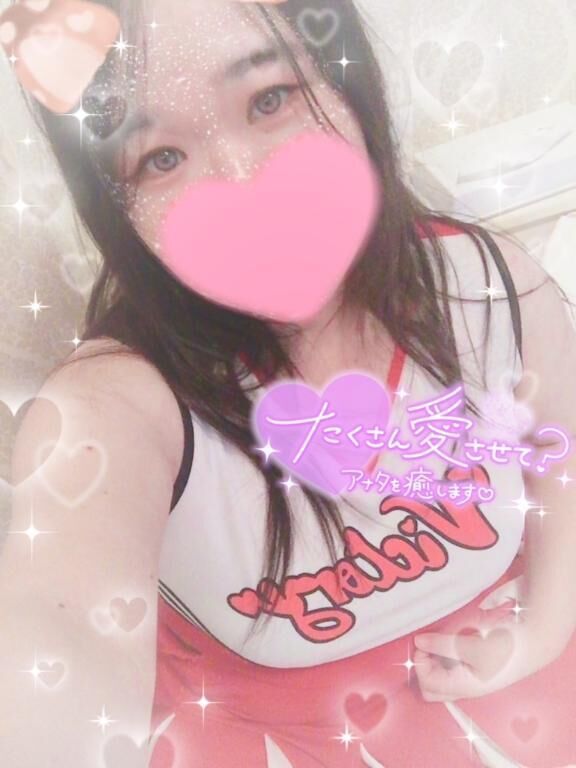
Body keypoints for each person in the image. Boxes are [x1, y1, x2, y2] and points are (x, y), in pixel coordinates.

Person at [3, 0, 576, 766]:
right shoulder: (119, 407)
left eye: (270, 99)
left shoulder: (490, 290)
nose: (244, 186)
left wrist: (542, 630)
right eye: (160, 158)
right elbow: (58, 632)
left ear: (348, 81)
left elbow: (560, 462)